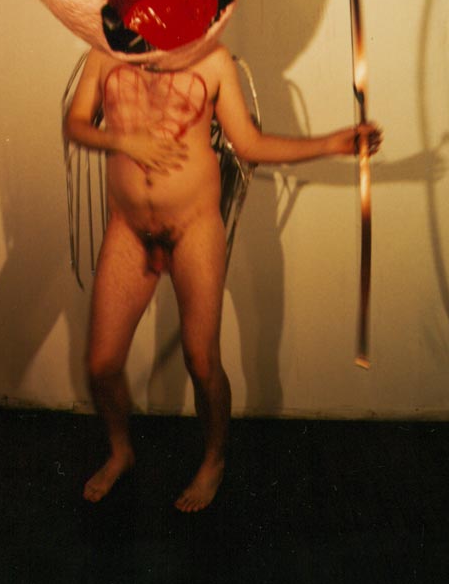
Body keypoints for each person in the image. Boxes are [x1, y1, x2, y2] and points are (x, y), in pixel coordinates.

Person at [65, 41, 383, 512]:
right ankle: (120, 451)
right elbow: (74, 124)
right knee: (101, 364)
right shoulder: (103, 54)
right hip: (129, 227)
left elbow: (249, 144)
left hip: (193, 226)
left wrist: (330, 144)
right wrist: (124, 141)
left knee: (202, 360)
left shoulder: (212, 60)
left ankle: (214, 460)